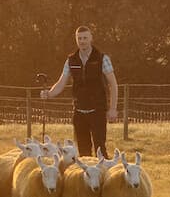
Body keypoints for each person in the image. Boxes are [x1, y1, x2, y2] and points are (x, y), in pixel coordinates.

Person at [39, 25, 118, 157]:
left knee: (101, 150)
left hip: (97, 110)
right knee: (83, 151)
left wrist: (113, 109)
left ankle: (103, 176)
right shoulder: (71, 60)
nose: (82, 41)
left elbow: (113, 85)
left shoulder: (102, 59)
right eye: (79, 38)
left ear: (91, 38)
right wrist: (49, 94)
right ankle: (85, 177)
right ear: (76, 40)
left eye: (85, 38)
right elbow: (61, 83)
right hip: (79, 112)